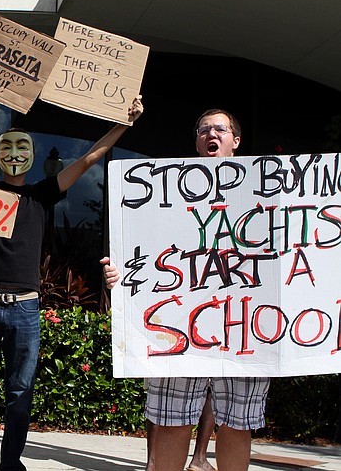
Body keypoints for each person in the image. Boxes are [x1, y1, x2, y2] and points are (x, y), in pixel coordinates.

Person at [0, 52, 143, 471]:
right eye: (7, 145)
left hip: (24, 307)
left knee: (20, 394)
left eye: (23, 146)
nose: (15, 152)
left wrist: (125, 123)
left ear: (33, 155)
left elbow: (91, 158)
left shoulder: (44, 194)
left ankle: (11, 465)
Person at [103, 109, 269, 471]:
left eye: (220, 129)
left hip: (243, 328)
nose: (212, 134)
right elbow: (145, 254)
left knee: (237, 424)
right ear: (197, 142)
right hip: (180, 326)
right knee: (171, 420)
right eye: (204, 129)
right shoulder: (167, 194)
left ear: (235, 141)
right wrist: (123, 274)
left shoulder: (263, 191)